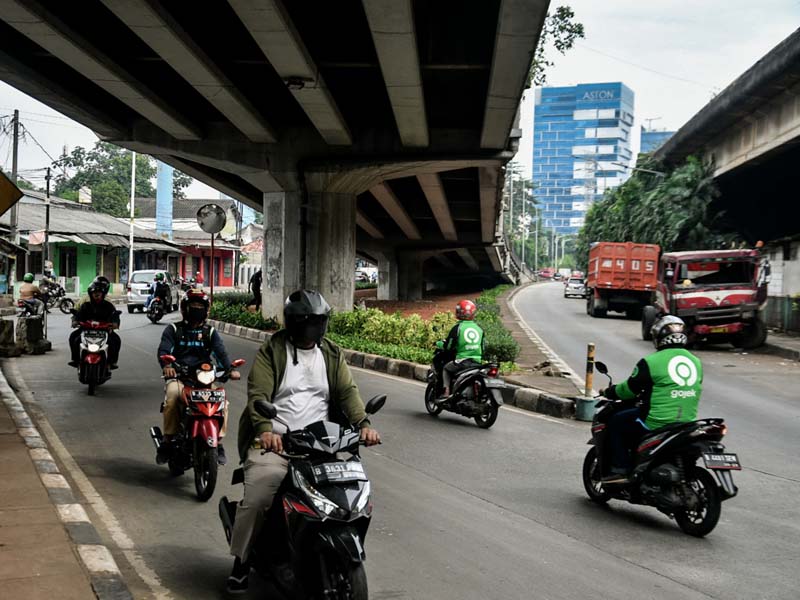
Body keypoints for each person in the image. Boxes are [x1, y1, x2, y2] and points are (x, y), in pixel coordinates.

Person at [226, 289, 381, 593]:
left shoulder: (331, 353)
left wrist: (363, 423)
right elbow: (258, 393)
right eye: (306, 321)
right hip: (278, 441)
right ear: (293, 323)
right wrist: (266, 430)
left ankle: (323, 547)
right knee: (260, 496)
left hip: (323, 443)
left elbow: (347, 392)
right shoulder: (273, 350)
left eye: (318, 321)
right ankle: (242, 561)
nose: (312, 327)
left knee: (349, 491)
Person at [599, 315, 703, 485]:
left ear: (658, 337)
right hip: (687, 422)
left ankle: (621, 470)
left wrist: (609, 392)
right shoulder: (696, 362)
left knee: (616, 422)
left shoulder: (651, 362)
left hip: (656, 422)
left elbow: (628, 390)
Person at [155, 289, 240, 466]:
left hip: (204, 379)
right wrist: (168, 366)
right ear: (184, 308)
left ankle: (219, 441)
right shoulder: (173, 329)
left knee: (222, 402)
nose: (196, 309)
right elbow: (163, 350)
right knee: (172, 398)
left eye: (200, 306)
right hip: (180, 377)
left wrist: (230, 369)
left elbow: (221, 353)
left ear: (206, 309)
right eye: (193, 306)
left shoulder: (210, 332)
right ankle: (168, 440)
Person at [69, 277, 121, 369]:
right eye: (94, 293)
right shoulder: (85, 305)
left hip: (104, 331)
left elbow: (114, 316)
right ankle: (75, 359)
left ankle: (111, 362)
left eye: (99, 293)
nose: (97, 295)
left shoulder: (109, 305)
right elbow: (78, 314)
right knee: (74, 337)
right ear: (91, 293)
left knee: (116, 341)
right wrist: (75, 321)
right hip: (86, 330)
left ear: (103, 294)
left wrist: (115, 323)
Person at [437, 299, 484, 399]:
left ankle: (446, 391)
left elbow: (449, 347)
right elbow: (483, 348)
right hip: (477, 362)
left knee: (445, 368)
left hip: (462, 362)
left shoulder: (458, 328)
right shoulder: (479, 329)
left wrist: (439, 344)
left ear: (459, 313)